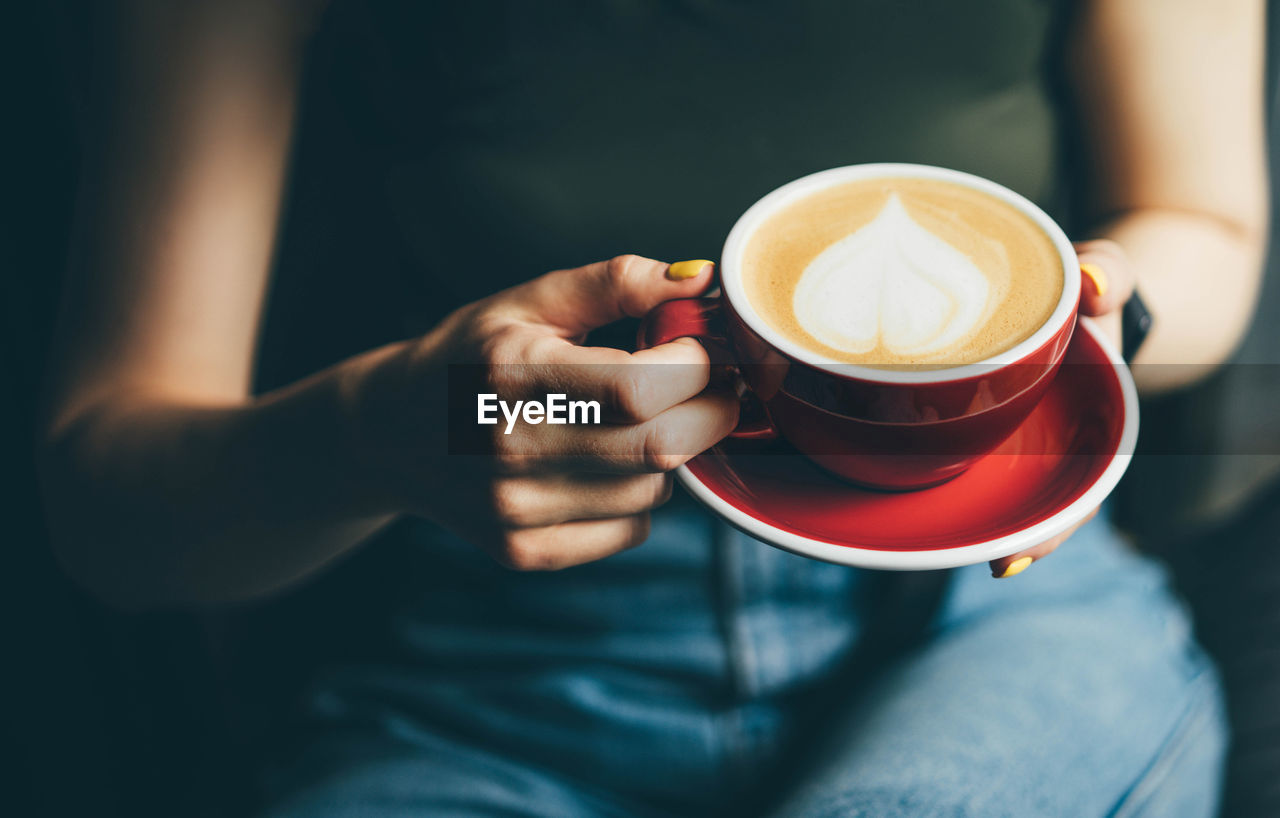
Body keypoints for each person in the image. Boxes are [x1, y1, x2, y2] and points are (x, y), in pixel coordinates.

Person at [38, 1, 1267, 815]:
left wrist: (1093, 331)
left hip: (978, 606)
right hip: (489, 677)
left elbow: (1201, 219)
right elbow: (106, 512)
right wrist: (380, 432)